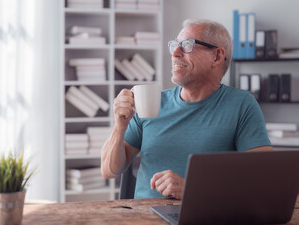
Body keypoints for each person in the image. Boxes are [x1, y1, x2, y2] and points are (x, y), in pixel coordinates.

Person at [101, 19, 273, 199]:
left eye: (187, 45)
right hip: (145, 217)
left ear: (217, 56)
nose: (175, 53)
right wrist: (120, 126)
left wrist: (193, 190)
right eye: (175, 45)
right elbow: (109, 170)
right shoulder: (151, 102)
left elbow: (264, 178)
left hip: (205, 216)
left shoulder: (241, 104)